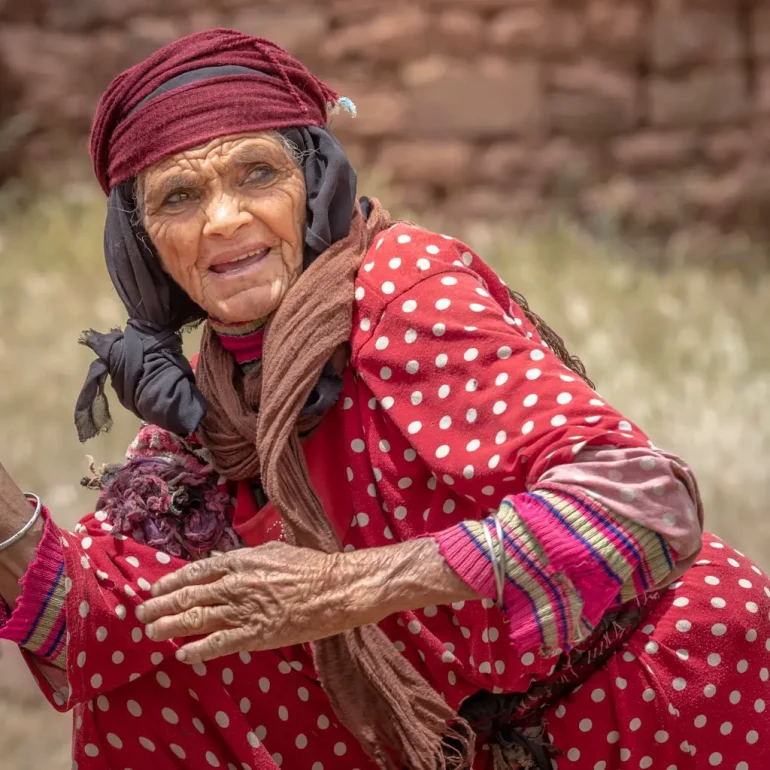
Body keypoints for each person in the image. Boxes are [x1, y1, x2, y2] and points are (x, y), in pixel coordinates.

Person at [0, 28, 767, 770]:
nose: (224, 220)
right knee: (145, 674)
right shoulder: (209, 416)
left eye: (258, 174)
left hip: (663, 700)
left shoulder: (397, 287)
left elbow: (646, 506)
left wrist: (341, 589)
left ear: (316, 185)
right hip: (477, 740)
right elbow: (99, 624)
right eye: (179, 196)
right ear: (142, 246)